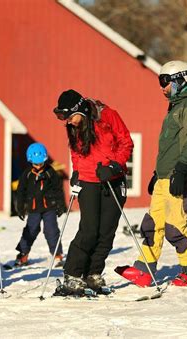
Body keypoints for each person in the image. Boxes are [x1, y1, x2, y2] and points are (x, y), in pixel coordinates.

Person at [116, 60, 187, 287]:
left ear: (180, 79)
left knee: (175, 225)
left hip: (181, 175)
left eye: (164, 81)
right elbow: (171, 146)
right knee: (152, 222)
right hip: (166, 175)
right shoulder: (176, 107)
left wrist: (181, 171)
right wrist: (158, 173)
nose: (162, 87)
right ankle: (145, 269)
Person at [52, 89, 133, 294]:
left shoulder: (108, 116)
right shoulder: (74, 126)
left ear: (81, 110)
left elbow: (126, 142)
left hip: (112, 179)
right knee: (89, 230)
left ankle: (93, 273)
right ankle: (73, 273)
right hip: (88, 181)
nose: (68, 122)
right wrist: (77, 171)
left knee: (106, 232)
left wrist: (115, 166)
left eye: (70, 117)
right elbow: (76, 151)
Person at [14, 142, 66, 267]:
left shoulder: (50, 172)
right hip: (33, 208)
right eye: (35, 163)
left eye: (40, 163)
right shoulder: (27, 174)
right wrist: (20, 207)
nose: (38, 166)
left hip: (49, 207)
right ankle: (23, 255)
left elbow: (58, 189)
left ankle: (57, 255)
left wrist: (60, 205)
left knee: (51, 230)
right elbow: (21, 191)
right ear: (30, 161)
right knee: (30, 230)